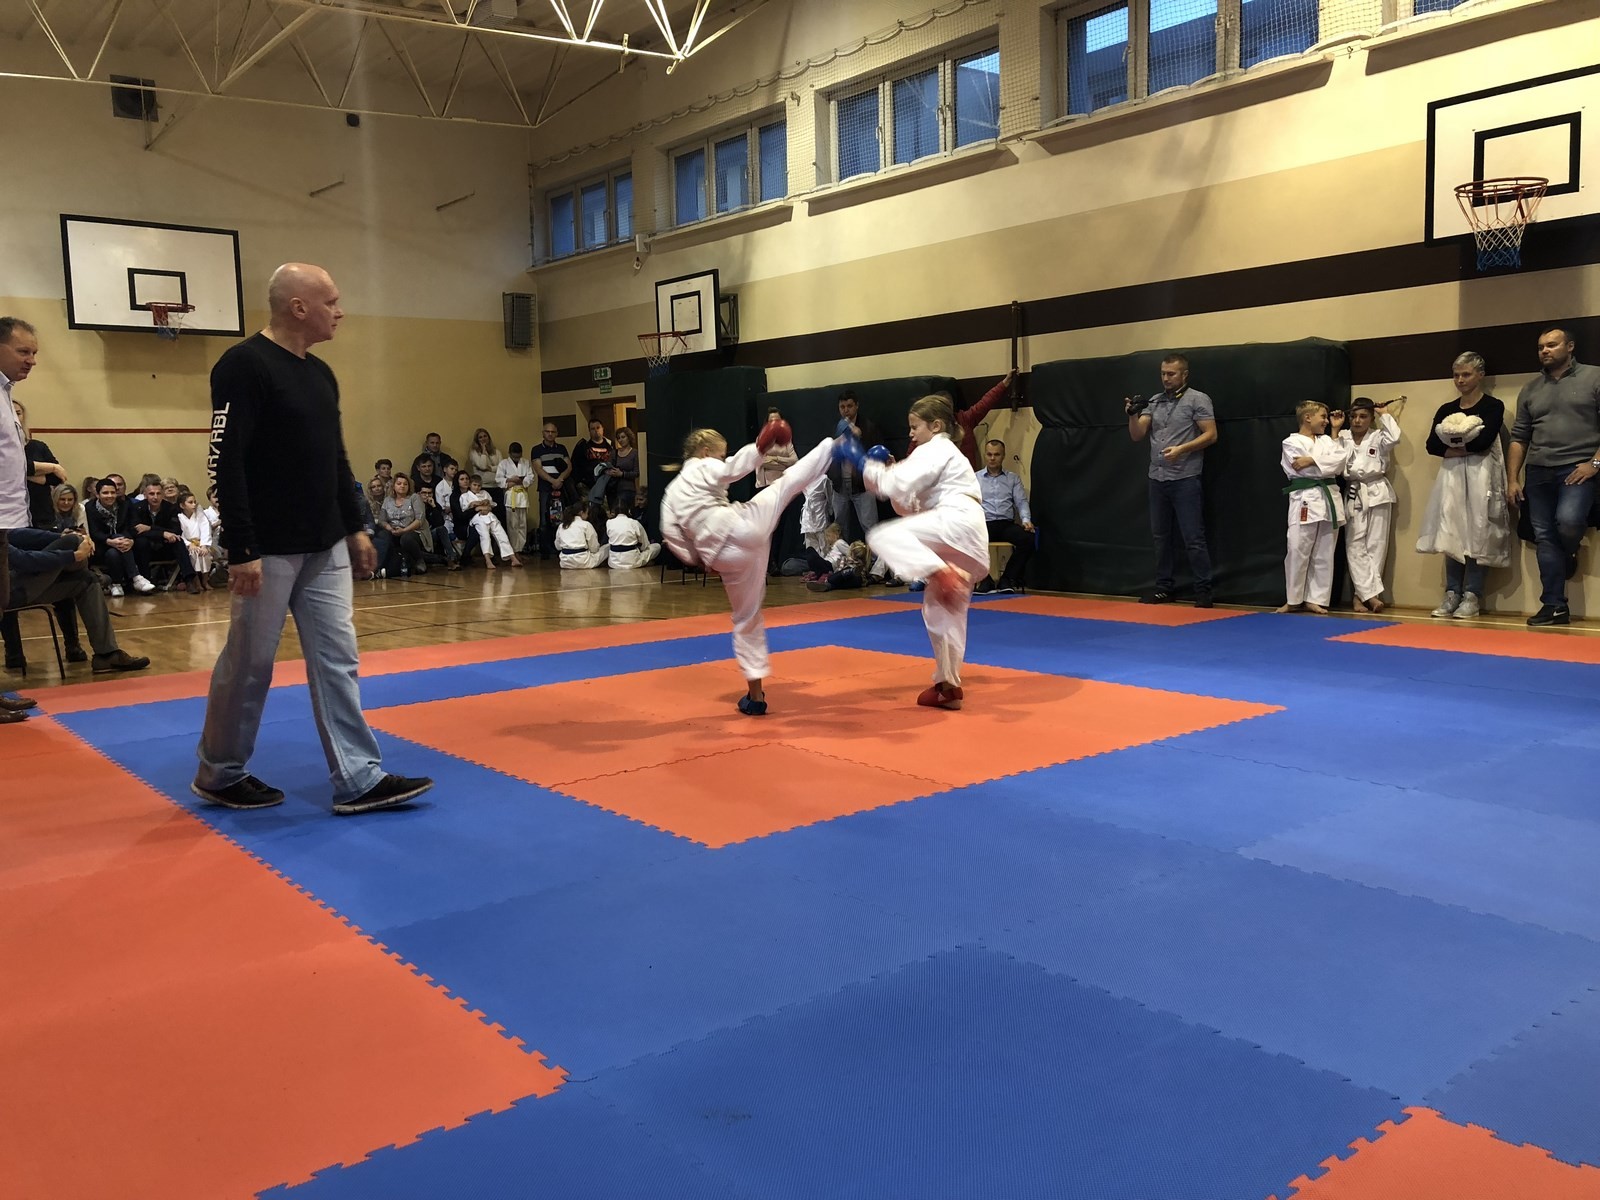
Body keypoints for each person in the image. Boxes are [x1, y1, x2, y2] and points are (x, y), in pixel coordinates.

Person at [193, 262, 432, 816]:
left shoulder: (321, 373)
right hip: (269, 545)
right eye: (331, 302)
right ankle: (220, 772)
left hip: (324, 543)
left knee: (337, 659)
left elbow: (336, 458)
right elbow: (226, 461)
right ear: (298, 307)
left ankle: (358, 777)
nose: (339, 312)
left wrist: (354, 527)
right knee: (250, 663)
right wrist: (241, 547)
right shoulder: (244, 365)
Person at [660, 422, 836, 715]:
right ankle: (832, 447)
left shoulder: (670, 494)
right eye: (720, 454)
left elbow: (671, 535)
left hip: (722, 555)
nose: (721, 459)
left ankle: (755, 697)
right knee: (785, 486)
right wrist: (760, 447)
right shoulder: (700, 466)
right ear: (705, 452)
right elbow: (731, 469)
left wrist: (699, 559)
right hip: (740, 528)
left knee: (746, 618)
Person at [841, 395, 987, 710]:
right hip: (967, 537)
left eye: (915, 426)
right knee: (942, 611)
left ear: (936, 426)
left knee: (882, 536)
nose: (910, 433)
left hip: (953, 522)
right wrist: (889, 470)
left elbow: (891, 485)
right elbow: (906, 506)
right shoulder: (942, 456)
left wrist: (862, 461)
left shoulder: (937, 447)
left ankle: (940, 572)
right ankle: (948, 686)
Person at [1505, 327, 1600, 626]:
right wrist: (1512, 479)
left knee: (1569, 521)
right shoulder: (1530, 389)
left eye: (1551, 345)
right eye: (1540, 347)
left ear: (1570, 346)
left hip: (1578, 469)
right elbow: (1519, 437)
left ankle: (1568, 551)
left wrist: (1594, 464)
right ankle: (1554, 606)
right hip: (1538, 471)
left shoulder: (1594, 377)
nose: (1545, 350)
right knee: (1544, 537)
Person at [1417, 352, 1513, 618]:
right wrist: (1459, 450)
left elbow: (1483, 442)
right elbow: (1432, 445)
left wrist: (1452, 448)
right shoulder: (1446, 409)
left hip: (1482, 475)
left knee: (1478, 531)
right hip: (1452, 477)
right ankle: (1452, 592)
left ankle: (1472, 594)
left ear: (1480, 375)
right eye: (1456, 375)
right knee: (1452, 530)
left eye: (1466, 374)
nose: (1460, 380)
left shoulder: (1492, 406)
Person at [1126, 354, 1217, 607]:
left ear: (1184, 375)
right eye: (1163, 373)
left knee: (1193, 537)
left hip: (1185, 477)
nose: (1166, 378)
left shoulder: (1198, 399)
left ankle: (1203, 590)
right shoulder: (1154, 401)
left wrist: (1182, 449)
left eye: (1171, 374)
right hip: (1157, 478)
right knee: (1161, 537)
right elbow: (1137, 434)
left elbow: (1211, 435)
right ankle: (1164, 588)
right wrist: (1132, 414)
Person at [6, 527, 149, 674]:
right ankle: (96, 575)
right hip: (9, 592)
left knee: (87, 580)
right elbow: (24, 561)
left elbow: (13, 535)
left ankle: (106, 655)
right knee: (73, 542)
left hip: (18, 589)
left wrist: (62, 536)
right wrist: (75, 555)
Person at [1279, 401, 1350, 615]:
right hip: (1305, 498)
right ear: (1307, 417)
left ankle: (1316, 599)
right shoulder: (1291, 442)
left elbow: (1340, 461)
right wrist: (1319, 464)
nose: (1326, 421)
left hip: (1329, 500)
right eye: (1323, 416)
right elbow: (1299, 468)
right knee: (1297, 548)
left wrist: (1310, 460)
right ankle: (1293, 599)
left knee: (1325, 552)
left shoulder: (1327, 440)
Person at [1337, 396, 1404, 613]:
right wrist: (1335, 428)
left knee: (1376, 545)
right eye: (1354, 416)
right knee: (1354, 545)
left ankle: (1362, 596)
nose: (1357, 421)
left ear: (1371, 418)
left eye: (1363, 416)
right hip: (1354, 493)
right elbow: (1332, 457)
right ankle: (1369, 595)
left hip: (1377, 491)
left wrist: (1384, 413)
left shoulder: (1378, 436)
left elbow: (1395, 437)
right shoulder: (1342, 437)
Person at [975, 438, 1034, 594]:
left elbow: (1021, 502)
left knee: (1028, 539)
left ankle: (1007, 579)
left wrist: (1026, 520)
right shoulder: (975, 478)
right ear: (985, 455)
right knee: (962, 540)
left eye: (996, 454)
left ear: (1003, 456)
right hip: (984, 524)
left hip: (1006, 524)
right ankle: (985, 580)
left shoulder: (1012, 478)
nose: (992, 458)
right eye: (989, 454)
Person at [826, 391, 884, 541]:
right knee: (839, 527)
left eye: (849, 406)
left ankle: (873, 556)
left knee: (870, 526)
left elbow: (877, 457)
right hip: (840, 485)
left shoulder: (869, 427)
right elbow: (828, 454)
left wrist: (859, 439)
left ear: (857, 406)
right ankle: (841, 556)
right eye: (842, 407)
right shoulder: (836, 428)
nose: (846, 410)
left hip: (862, 485)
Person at [0, 319, 40, 532]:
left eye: (34, 353)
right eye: (23, 352)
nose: (32, 361)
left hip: (14, 520)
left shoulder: (6, 392)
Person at [131, 479, 199, 593]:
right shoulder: (137, 508)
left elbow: (176, 530)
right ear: (145, 495)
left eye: (158, 493)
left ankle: (189, 580)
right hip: (145, 548)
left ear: (162, 495)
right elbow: (136, 531)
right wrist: (162, 533)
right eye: (152, 494)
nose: (155, 497)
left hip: (164, 546)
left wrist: (150, 528)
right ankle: (146, 582)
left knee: (178, 541)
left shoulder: (171, 508)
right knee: (141, 542)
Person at [86, 476, 139, 596]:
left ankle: (116, 584)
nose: (110, 496)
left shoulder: (125, 505)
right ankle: (136, 577)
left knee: (113, 553)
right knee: (116, 543)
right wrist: (109, 541)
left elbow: (131, 527)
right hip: (100, 546)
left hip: (121, 544)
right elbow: (94, 532)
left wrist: (130, 540)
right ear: (97, 495)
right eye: (105, 493)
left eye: (112, 492)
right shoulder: (89, 508)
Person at [954, 370, 1017, 467]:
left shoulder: (964, 419)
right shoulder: (933, 431)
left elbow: (985, 403)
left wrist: (1004, 383)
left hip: (967, 473)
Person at [460, 472, 519, 567]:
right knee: (485, 536)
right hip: (477, 518)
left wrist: (486, 503)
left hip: (490, 516)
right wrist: (475, 504)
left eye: (479, 485)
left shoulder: (485, 493)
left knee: (502, 534)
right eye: (474, 485)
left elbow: (492, 505)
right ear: (470, 485)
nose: (477, 487)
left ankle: (513, 558)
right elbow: (465, 509)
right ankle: (488, 560)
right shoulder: (465, 496)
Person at [533, 422, 572, 560]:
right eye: (547, 431)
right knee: (545, 519)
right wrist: (552, 481)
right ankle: (545, 550)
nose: (550, 434)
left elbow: (569, 466)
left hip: (561, 487)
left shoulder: (562, 448)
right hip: (545, 488)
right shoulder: (537, 449)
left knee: (560, 518)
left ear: (557, 434)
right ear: (543, 433)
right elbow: (538, 468)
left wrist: (560, 479)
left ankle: (559, 547)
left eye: (553, 432)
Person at [496, 441, 534, 554]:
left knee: (522, 524)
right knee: (512, 524)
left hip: (522, 494)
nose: (517, 459)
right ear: (509, 453)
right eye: (514, 457)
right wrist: (509, 481)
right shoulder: (503, 463)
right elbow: (498, 479)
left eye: (518, 456)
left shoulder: (525, 462)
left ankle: (521, 549)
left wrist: (523, 481)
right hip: (511, 494)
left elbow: (531, 477)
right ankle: (514, 550)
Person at [176, 490, 213, 588]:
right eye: (190, 502)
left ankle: (205, 581)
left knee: (205, 554)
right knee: (193, 554)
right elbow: (180, 533)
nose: (194, 505)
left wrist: (204, 545)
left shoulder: (200, 515)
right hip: (188, 544)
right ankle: (197, 582)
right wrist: (189, 544)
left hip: (201, 542)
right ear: (182, 505)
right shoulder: (179, 517)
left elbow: (205, 529)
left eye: (194, 502)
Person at [606, 503, 660, 569]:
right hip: (632, 561)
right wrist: (640, 549)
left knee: (607, 546)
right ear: (628, 510)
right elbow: (645, 545)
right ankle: (644, 562)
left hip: (613, 563)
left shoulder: (609, 523)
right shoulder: (634, 523)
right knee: (657, 546)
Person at [555, 504, 608, 569]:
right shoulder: (586, 524)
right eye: (587, 513)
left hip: (565, 562)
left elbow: (558, 547)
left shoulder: (561, 526)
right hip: (583, 561)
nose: (588, 515)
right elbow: (594, 549)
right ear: (581, 512)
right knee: (607, 547)